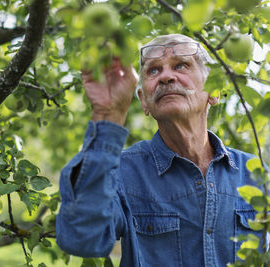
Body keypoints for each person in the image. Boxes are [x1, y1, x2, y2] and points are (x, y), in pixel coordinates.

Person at [56, 34, 263, 266]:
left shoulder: (256, 174)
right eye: (153, 70)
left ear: (214, 91)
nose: (165, 76)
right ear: (143, 101)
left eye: (181, 65)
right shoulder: (121, 172)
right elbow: (81, 239)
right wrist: (108, 114)